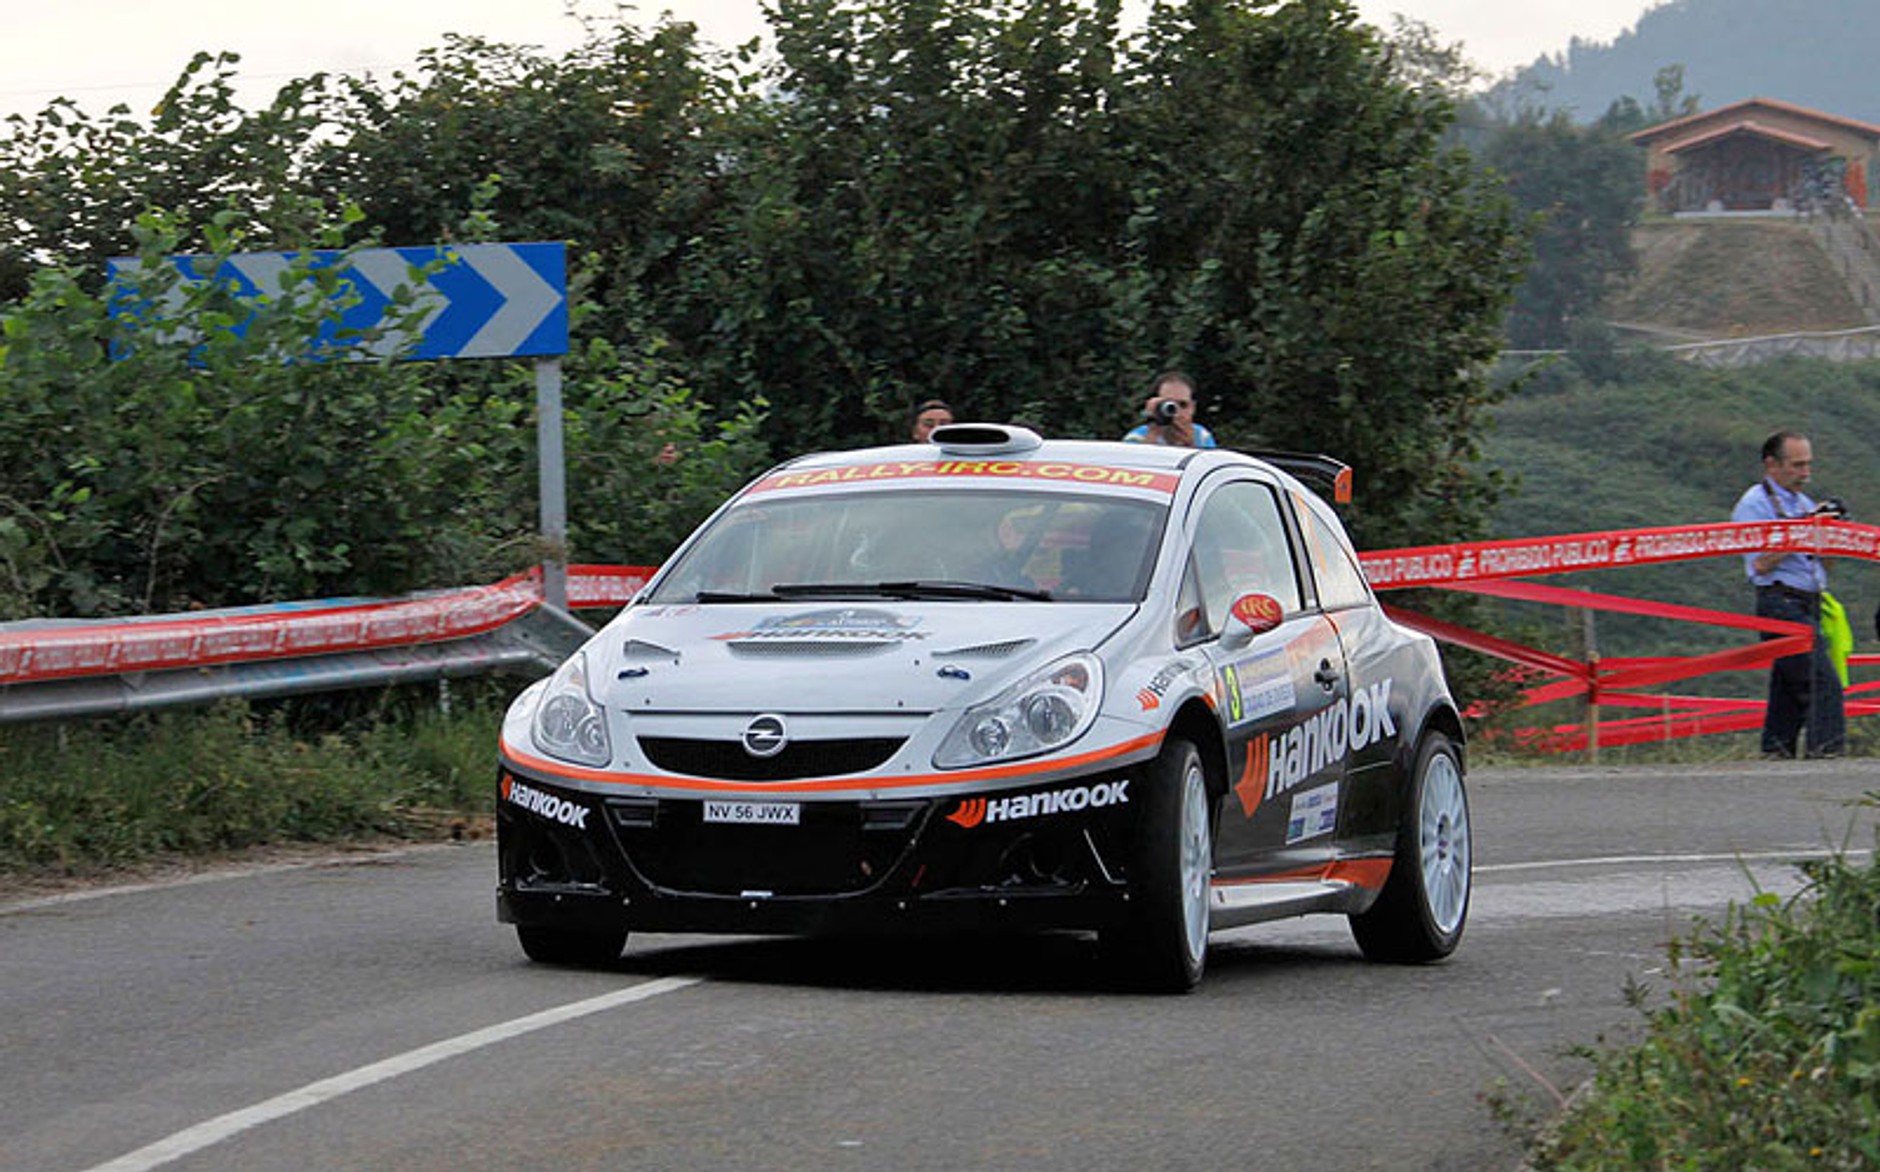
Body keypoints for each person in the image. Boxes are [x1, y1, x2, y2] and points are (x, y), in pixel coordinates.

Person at [1730, 430, 1846, 758]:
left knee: (1789, 687)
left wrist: (1832, 531)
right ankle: (1827, 754)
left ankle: (1775, 754)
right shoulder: (1754, 504)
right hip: (1780, 601)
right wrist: (1802, 530)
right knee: (1820, 681)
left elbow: (1826, 564)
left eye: (1808, 465)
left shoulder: (1802, 503)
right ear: (1772, 465)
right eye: (1796, 465)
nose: (1805, 474)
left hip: (1810, 600)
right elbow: (1761, 564)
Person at [1121, 371, 1216, 448]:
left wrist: (1191, 445)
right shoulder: (1136, 438)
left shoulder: (1202, 437)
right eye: (1169, 405)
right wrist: (1151, 438)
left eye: (1183, 405)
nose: (1176, 411)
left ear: (1192, 408)